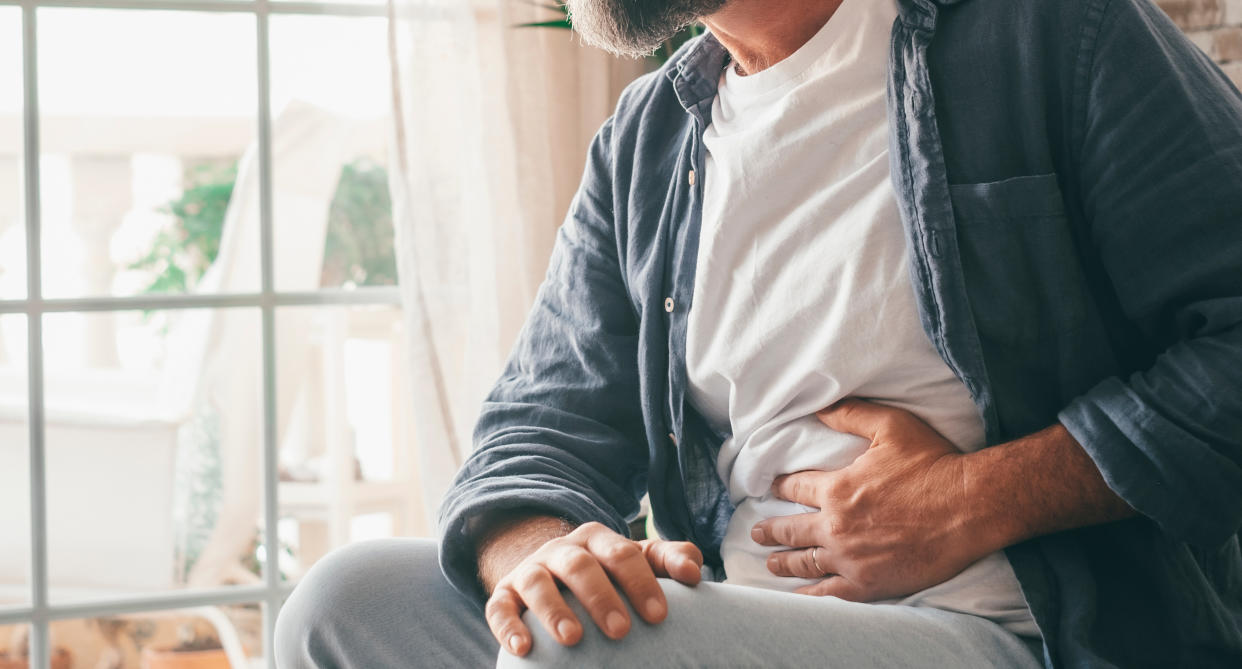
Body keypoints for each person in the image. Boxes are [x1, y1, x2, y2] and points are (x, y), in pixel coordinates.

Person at [274, 0, 1242, 666]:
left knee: (590, 653)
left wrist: (974, 500)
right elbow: (543, 417)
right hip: (732, 623)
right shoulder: (648, 140)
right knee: (348, 600)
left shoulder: (1055, 39)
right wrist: (539, 551)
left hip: (1010, 633)